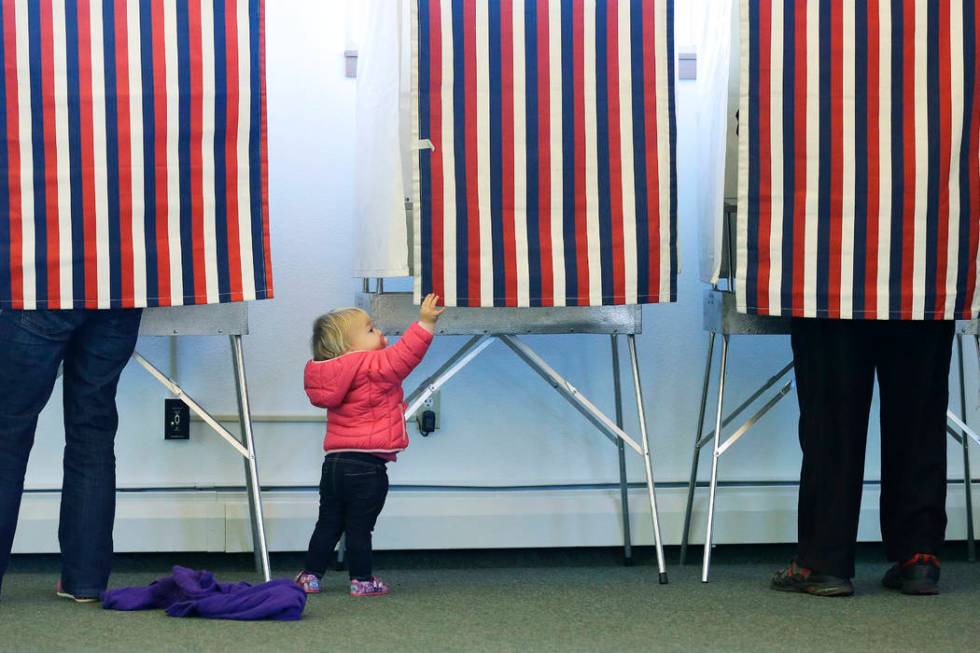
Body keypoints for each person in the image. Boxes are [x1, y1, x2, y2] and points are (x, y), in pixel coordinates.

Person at [771, 319, 954, 597]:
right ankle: (919, 555)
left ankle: (824, 560)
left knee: (831, 411)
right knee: (919, 411)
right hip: (919, 280)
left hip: (833, 282)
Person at [294, 294, 443, 597]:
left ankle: (310, 575)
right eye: (371, 330)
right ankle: (361, 580)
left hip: (333, 465)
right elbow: (405, 355)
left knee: (328, 523)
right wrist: (425, 323)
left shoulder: (328, 373)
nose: (380, 334)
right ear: (350, 347)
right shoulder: (370, 364)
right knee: (360, 528)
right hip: (368, 467)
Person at [0, 308, 144, 602]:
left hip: (43, 284)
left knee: (8, 437)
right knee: (93, 431)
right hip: (118, 291)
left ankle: (84, 579)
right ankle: (85, 581)